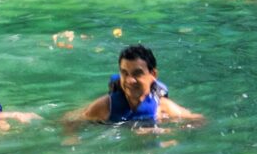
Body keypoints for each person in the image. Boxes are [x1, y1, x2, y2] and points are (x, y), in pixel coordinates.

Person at [62, 43, 202, 130]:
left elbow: (199, 121)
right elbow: (68, 120)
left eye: (137, 73)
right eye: (124, 73)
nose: (130, 80)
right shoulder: (105, 107)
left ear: (153, 74)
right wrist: (71, 139)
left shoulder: (163, 108)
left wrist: (168, 131)